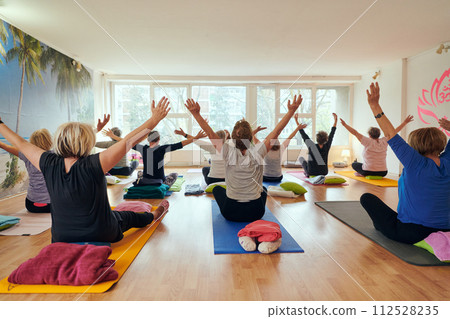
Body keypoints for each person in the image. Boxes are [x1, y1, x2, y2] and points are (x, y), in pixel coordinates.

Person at [0, 97, 171, 243]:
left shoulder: (47, 162)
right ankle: (154, 215)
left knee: (118, 215)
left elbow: (20, 143)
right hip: (102, 233)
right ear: (87, 143)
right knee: (127, 216)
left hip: (61, 237)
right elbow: (128, 141)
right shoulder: (95, 163)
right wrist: (154, 120)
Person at [184, 95, 302, 222]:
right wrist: (291, 112)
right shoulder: (259, 151)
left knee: (218, 189)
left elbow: (210, 134)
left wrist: (196, 114)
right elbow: (277, 132)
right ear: (251, 137)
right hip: (256, 212)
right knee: (263, 190)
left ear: (233, 138)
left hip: (231, 212)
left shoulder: (226, 151)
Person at [360, 82, 450, 244]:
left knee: (367, 198)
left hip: (413, 232)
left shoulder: (415, 162)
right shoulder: (448, 160)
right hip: (446, 228)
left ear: (415, 145)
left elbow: (390, 133)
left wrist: (374, 105)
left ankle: (382, 226)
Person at [340, 115, 414, 177]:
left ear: (369, 135)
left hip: (368, 172)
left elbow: (355, 133)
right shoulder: (384, 141)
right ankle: (362, 173)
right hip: (383, 172)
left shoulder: (367, 141)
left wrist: (345, 125)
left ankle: (362, 173)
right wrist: (405, 122)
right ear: (379, 134)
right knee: (362, 165)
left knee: (354, 164)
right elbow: (394, 132)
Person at [0, 129, 52, 213]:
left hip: (31, 205)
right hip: (51, 205)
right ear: (49, 141)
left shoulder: (26, 155)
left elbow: (6, 147)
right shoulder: (55, 156)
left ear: (32, 142)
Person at [131, 128, 206, 185]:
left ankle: (145, 179)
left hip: (145, 179)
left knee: (140, 173)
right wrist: (196, 137)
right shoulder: (162, 149)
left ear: (148, 139)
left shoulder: (143, 148)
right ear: (159, 139)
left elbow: (127, 143)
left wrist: (118, 139)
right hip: (160, 181)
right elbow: (180, 144)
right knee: (174, 174)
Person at [252, 118, 305, 183]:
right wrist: (297, 128)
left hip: (265, 177)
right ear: (278, 144)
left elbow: (253, 138)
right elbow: (290, 137)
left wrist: (255, 130)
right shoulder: (281, 148)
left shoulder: (264, 148)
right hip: (278, 178)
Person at [296, 113, 338, 177]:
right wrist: (335, 121)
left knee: (301, 159)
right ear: (326, 139)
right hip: (324, 172)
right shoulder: (327, 146)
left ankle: (307, 173)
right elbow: (332, 134)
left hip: (312, 172)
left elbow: (303, 134)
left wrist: (296, 120)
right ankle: (307, 172)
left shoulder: (311, 146)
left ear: (317, 138)